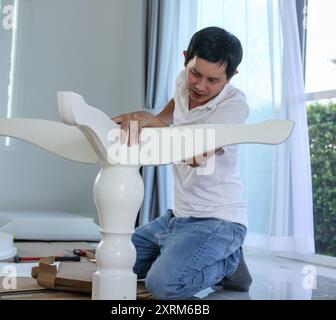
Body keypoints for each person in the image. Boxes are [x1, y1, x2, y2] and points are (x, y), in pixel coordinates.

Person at [112, 26, 252, 300]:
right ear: (186, 58)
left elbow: (196, 156)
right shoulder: (182, 82)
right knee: (117, 259)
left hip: (218, 219)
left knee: (163, 285)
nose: (200, 85)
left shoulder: (234, 106)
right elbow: (167, 118)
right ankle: (187, 253)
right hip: (177, 217)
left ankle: (227, 264)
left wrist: (154, 131)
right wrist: (142, 118)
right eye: (195, 73)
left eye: (213, 80)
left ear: (232, 76)